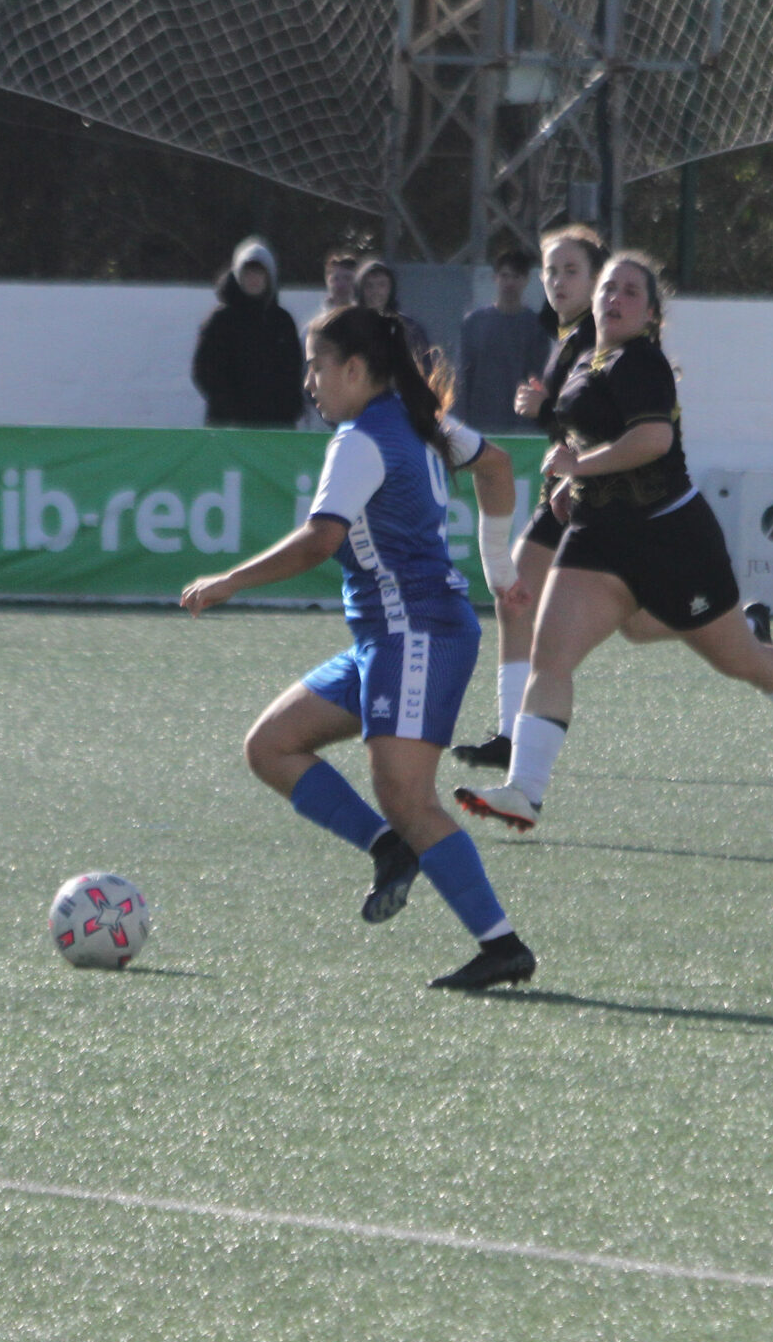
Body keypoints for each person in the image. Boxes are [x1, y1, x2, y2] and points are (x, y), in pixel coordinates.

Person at [180, 304, 536, 992]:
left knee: (406, 794)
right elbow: (496, 468)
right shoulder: (420, 419)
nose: (309, 381)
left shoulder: (362, 438)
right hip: (391, 637)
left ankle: (502, 945)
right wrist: (500, 570)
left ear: (353, 368)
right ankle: (388, 848)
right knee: (271, 746)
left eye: (317, 366)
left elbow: (321, 539)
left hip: (416, 634)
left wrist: (229, 582)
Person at [456, 252, 773, 835]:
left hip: (671, 537)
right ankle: (525, 791)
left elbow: (652, 438)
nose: (615, 298)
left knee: (741, 661)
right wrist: (575, 480)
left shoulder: (640, 361)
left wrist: (581, 465)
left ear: (651, 313)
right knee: (551, 657)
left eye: (631, 292)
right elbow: (593, 442)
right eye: (609, 288)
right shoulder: (585, 361)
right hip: (598, 538)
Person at [456, 225, 605, 767]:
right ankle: (508, 735)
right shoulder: (566, 334)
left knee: (645, 619)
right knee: (514, 595)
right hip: (567, 491)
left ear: (596, 278)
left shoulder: (603, 337)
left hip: (607, 493)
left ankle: (739, 625)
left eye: (571, 271)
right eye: (552, 271)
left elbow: (611, 419)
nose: (557, 281)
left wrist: (545, 413)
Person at [190, 237, 305, 428]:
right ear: (237, 275)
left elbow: (293, 371)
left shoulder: (282, 321)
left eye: (259, 273)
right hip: (229, 426)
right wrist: (232, 410)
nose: (253, 279)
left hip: (277, 426)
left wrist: (290, 408)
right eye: (247, 273)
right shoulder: (219, 321)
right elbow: (204, 372)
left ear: (270, 277)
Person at [455, 248, 549, 434]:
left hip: (521, 427)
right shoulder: (474, 323)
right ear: (495, 278)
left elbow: (538, 380)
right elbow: (462, 378)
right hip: (479, 425)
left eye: (516, 277)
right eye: (505, 276)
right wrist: (459, 423)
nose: (510, 283)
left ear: (526, 280)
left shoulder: (537, 327)